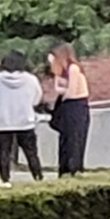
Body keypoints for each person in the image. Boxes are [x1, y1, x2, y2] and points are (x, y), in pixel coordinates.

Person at [0, 53, 44, 182]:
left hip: (2, 122)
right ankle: (38, 177)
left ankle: (5, 179)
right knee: (31, 152)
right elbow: (36, 99)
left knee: (4, 152)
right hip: (25, 121)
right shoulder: (31, 79)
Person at [42, 41, 96, 177]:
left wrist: (64, 91)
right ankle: (64, 168)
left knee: (75, 138)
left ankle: (74, 168)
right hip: (68, 105)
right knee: (65, 139)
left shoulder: (73, 69)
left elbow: (71, 92)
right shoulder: (63, 71)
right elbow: (58, 89)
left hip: (76, 105)